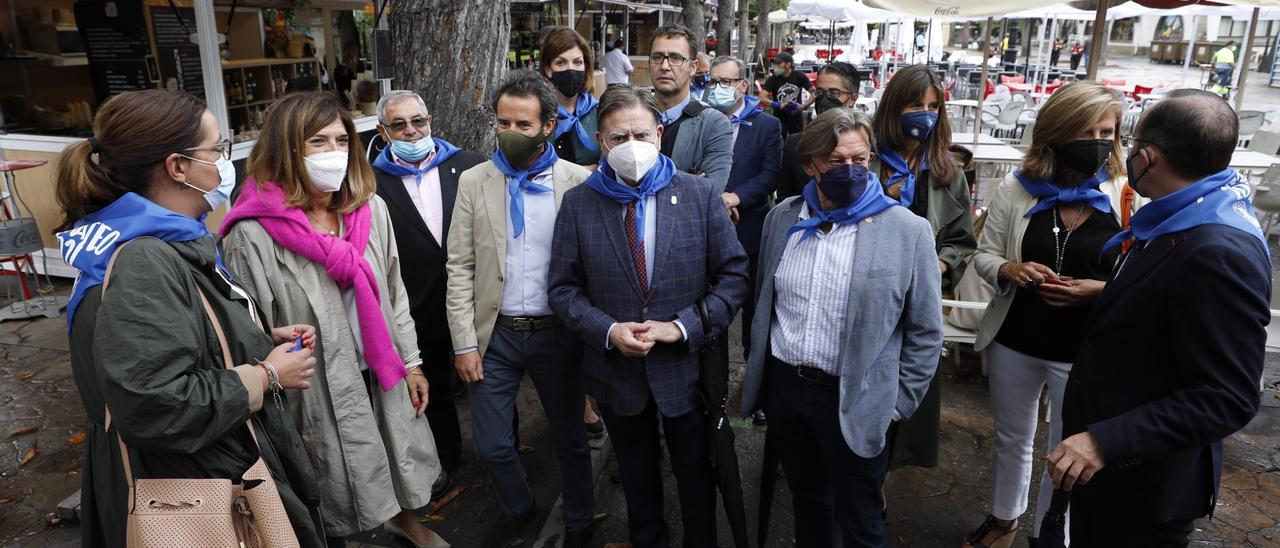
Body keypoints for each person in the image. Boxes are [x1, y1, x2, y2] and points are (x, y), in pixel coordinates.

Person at [54, 89, 323, 547]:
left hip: (193, 472)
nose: (224, 162)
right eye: (217, 149)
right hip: (193, 493)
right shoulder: (145, 259)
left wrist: (251, 336)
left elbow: (170, 340)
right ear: (177, 167)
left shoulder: (145, 241)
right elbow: (153, 402)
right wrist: (266, 374)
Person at [221, 92, 449, 548]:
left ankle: (404, 522)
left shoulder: (369, 210)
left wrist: (412, 362)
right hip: (314, 380)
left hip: (378, 364)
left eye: (342, 140)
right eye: (317, 142)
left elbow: (394, 291)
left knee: (392, 445)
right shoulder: (252, 233)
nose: (334, 154)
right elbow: (246, 331)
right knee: (328, 471)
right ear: (287, 149)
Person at [1050, 90, 1270, 545]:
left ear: (1148, 158)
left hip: (1141, 485)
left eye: (1131, 144)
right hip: (1113, 475)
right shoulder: (1181, 214)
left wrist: (1104, 441)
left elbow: (1225, 396)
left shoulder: (1218, 251)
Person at [547, 85, 750, 548]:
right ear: (601, 141)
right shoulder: (580, 204)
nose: (631, 146)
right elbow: (562, 288)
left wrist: (682, 327)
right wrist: (608, 330)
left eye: (641, 133)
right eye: (619, 138)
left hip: (688, 374)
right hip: (617, 376)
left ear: (659, 134)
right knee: (638, 485)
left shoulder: (699, 195)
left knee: (697, 480)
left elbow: (735, 277)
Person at [739, 108, 943, 548]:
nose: (850, 170)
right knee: (808, 502)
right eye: (835, 161)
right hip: (788, 392)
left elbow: (926, 331)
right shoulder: (783, 219)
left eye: (860, 158)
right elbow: (765, 304)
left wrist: (896, 405)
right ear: (809, 164)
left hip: (859, 398)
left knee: (861, 519)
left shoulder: (908, 231)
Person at [964, 82, 1137, 548]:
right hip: (1016, 338)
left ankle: (1052, 533)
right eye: (1087, 130)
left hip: (1084, 348)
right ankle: (1004, 519)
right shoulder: (1015, 188)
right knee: (1012, 438)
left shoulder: (1126, 193)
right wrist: (1009, 267)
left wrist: (1100, 291)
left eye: (1108, 131)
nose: (1100, 141)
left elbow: (1145, 271)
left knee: (1068, 451)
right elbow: (983, 255)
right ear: (1056, 134)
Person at [444, 70, 597, 548]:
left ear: (549, 126)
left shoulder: (579, 181)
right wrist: (465, 342)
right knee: (491, 445)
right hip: (497, 336)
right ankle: (519, 507)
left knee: (570, 438)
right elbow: (460, 265)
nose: (509, 132)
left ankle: (579, 520)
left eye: (523, 124)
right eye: (503, 122)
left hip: (559, 333)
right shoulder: (474, 181)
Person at [370, 90, 484, 499]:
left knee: (487, 383)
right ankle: (447, 459)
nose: (411, 131)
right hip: (417, 309)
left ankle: (498, 452)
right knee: (433, 389)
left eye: (418, 121)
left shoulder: (469, 166)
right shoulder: (372, 183)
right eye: (399, 125)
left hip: (472, 302)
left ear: (430, 120)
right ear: (384, 133)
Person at [870, 64, 976, 473]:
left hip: (918, 304)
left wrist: (941, 262)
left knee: (906, 397)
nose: (925, 114)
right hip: (869, 294)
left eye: (933, 106)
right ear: (894, 106)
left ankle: (881, 479)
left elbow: (963, 242)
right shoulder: (867, 161)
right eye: (915, 104)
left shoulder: (948, 171)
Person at [705, 54, 782, 396]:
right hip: (708, 229)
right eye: (713, 82)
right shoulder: (701, 121)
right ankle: (713, 386)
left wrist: (734, 197)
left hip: (750, 229)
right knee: (711, 313)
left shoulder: (766, 125)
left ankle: (754, 389)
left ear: (742, 85)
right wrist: (713, 197)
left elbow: (770, 175)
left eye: (726, 82)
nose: (718, 88)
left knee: (753, 313)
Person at [647, 24, 734, 191]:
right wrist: (688, 183)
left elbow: (708, 195)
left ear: (693, 67)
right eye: (657, 57)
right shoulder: (629, 115)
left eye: (676, 58)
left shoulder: (714, 125)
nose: (664, 66)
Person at [777, 62, 860, 200]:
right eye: (820, 92)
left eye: (834, 92)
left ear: (853, 99)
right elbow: (784, 197)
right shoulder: (795, 144)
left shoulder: (866, 143)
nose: (825, 99)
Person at [541, 27, 601, 168]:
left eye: (577, 62)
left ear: (585, 66)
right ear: (548, 69)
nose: (570, 69)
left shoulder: (598, 111)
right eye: (561, 63)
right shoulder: (538, 114)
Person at [763, 51, 813, 136]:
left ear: (788, 64)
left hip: (796, 118)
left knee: (796, 144)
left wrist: (804, 105)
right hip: (779, 118)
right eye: (775, 63)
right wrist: (778, 105)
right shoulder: (772, 79)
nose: (775, 66)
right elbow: (761, 97)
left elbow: (815, 92)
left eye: (778, 63)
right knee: (779, 145)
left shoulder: (799, 76)